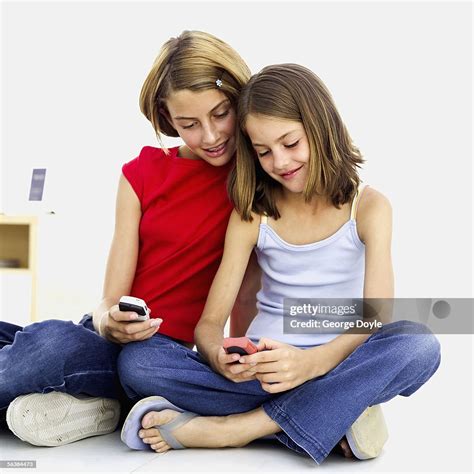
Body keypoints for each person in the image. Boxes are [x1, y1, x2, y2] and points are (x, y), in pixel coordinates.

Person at [119, 64, 441, 464]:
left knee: (418, 344)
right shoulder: (253, 212)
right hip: (262, 376)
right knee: (139, 362)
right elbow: (209, 324)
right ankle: (334, 415)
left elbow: (374, 317)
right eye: (263, 151)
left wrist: (309, 364)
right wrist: (219, 355)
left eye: (290, 143)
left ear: (321, 128)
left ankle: (239, 429)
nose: (280, 162)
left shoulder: (369, 208)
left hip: (333, 362)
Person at [0, 30, 259, 447]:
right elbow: (108, 301)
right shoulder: (141, 174)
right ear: (166, 118)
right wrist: (109, 322)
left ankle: (85, 396)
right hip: (109, 342)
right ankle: (102, 403)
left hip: (166, 357)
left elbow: (250, 292)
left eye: (221, 114)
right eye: (189, 124)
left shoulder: (254, 181)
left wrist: (237, 354)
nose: (210, 136)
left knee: (81, 353)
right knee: (45, 339)